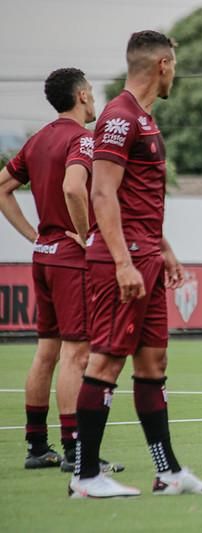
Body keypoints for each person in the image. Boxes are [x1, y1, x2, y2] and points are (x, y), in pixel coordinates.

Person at [68, 30, 202, 499]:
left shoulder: (145, 120)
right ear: (164, 66)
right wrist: (121, 261)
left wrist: (164, 249)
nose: (177, 74)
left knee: (153, 363)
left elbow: (135, 201)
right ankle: (85, 477)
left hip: (146, 255)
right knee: (107, 360)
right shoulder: (119, 116)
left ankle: (167, 471)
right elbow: (101, 193)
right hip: (123, 262)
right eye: (176, 66)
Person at [0, 68, 123, 474]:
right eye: (91, 93)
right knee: (77, 353)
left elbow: (2, 186)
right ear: (83, 95)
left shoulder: (37, 140)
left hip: (44, 254)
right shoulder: (82, 139)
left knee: (46, 352)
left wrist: (34, 234)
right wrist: (88, 237)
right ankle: (75, 452)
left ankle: (37, 445)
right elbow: (74, 187)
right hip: (72, 260)